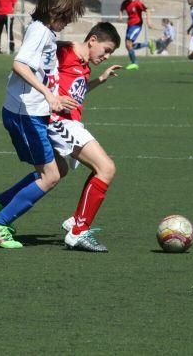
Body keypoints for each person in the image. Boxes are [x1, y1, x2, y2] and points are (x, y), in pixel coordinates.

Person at [0, 0, 84, 249]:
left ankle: (1, 201)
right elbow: (19, 63)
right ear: (54, 12)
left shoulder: (43, 31)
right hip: (27, 114)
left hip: (28, 112)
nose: (68, 22)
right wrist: (49, 95)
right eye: (67, 16)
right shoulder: (40, 32)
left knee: (58, 168)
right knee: (51, 176)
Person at [49, 23, 122, 252]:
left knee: (95, 170)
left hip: (73, 124)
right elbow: (38, 70)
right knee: (106, 168)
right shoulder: (66, 51)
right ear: (92, 40)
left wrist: (100, 79)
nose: (107, 56)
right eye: (106, 50)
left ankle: (76, 221)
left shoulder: (85, 65)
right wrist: (52, 96)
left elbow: (76, 91)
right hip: (59, 122)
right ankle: (78, 231)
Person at [118, 0, 152, 70]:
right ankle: (148, 44)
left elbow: (147, 10)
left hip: (137, 25)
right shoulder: (125, 2)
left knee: (129, 44)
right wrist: (120, 16)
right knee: (128, 45)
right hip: (129, 25)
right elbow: (121, 9)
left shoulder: (137, 3)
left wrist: (148, 21)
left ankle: (134, 63)